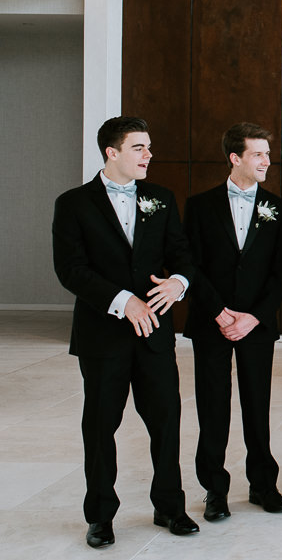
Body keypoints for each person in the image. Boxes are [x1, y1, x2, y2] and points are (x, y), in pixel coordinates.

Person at [52, 116, 199, 548]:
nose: (149, 155)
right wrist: (122, 300)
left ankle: (169, 506)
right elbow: (70, 270)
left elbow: (183, 256)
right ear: (111, 152)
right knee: (100, 428)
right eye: (139, 148)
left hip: (154, 334)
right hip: (103, 335)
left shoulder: (161, 198)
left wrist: (179, 283)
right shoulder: (73, 203)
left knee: (166, 422)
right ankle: (100, 515)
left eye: (149, 147)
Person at [184, 123, 282, 521]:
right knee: (212, 407)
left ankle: (263, 485)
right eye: (258, 154)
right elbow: (190, 264)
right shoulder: (199, 205)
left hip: (256, 324)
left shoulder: (281, 208)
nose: (267, 161)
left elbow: (279, 273)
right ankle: (214, 489)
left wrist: (254, 317)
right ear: (235, 158)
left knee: (257, 405)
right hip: (210, 321)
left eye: (267, 153)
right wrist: (219, 312)